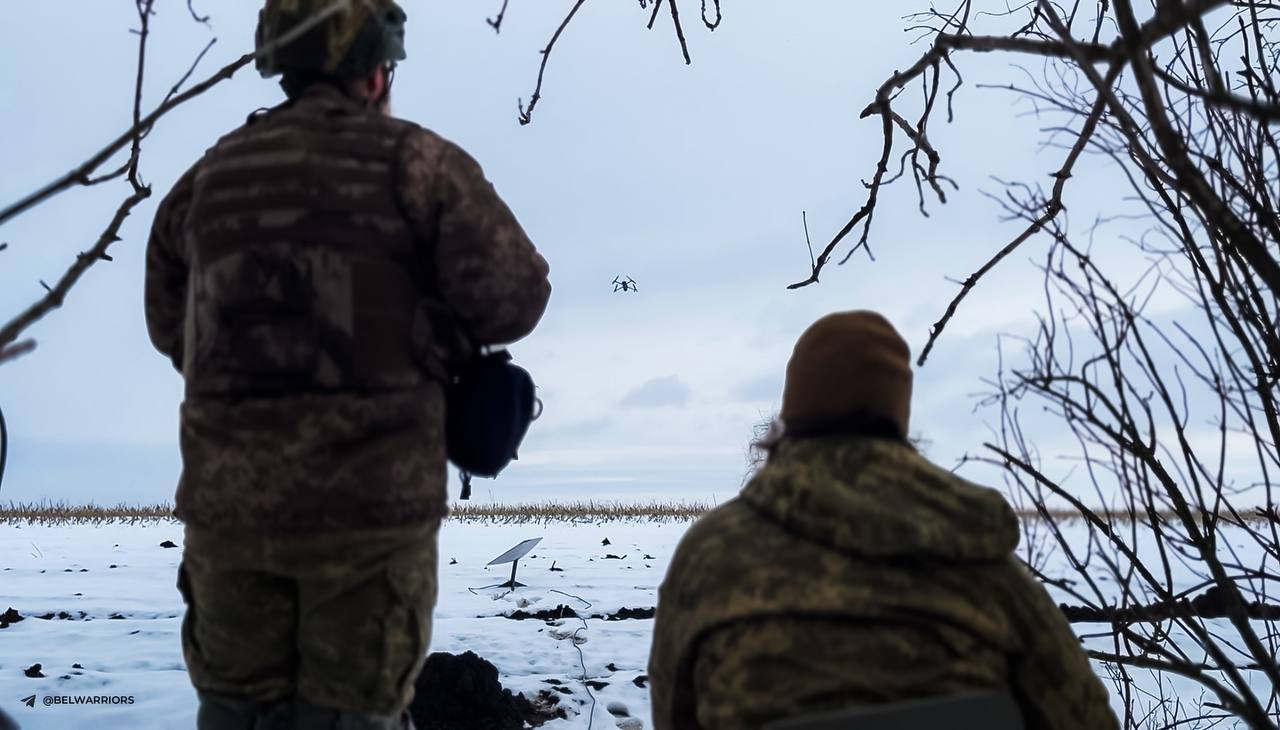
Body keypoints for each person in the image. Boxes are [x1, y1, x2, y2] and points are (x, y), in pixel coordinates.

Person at [143, 2, 552, 728]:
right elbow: (514, 299)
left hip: (229, 517)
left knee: (236, 713)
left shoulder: (207, 178)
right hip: (369, 523)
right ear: (375, 70)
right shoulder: (416, 164)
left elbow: (170, 322)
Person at [648, 311, 1117, 730]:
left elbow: (673, 713)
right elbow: (1084, 718)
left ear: (790, 417)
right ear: (898, 418)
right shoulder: (977, 558)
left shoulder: (712, 556)